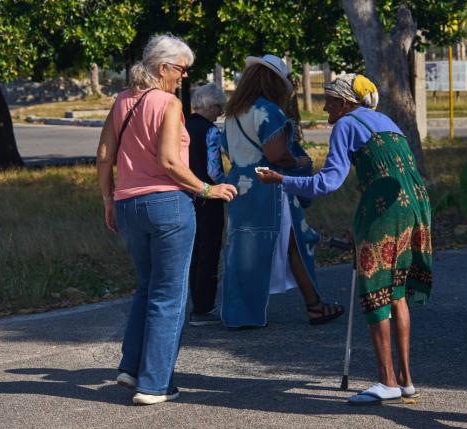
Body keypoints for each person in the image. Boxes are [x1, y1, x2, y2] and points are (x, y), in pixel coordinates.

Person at [257, 73, 433, 405]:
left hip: (384, 211)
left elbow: (328, 182)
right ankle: (406, 380)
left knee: (375, 290)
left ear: (343, 102)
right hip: (414, 207)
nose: (325, 108)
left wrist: (281, 179)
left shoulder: (346, 125)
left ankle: (387, 381)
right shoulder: (388, 122)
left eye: (329, 101)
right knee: (396, 292)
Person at [96, 34, 237, 405]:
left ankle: (131, 367)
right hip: (167, 205)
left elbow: (104, 156)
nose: (184, 77)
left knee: (147, 286)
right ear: (163, 68)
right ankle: (155, 384)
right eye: (181, 69)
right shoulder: (169, 103)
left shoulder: (122, 101)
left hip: (127, 205)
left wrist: (108, 200)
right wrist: (207, 190)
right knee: (170, 295)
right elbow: (170, 162)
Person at [217, 54, 344, 329]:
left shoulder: (233, 112)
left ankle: (239, 313)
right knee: (296, 241)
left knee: (243, 248)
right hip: (269, 186)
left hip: (240, 186)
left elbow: (226, 147)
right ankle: (315, 306)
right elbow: (275, 152)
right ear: (273, 82)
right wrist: (296, 161)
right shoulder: (268, 111)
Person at [185, 83, 227, 326]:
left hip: (185, 195)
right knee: (209, 250)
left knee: (190, 252)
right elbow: (214, 169)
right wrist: (226, 187)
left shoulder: (182, 126)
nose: (220, 113)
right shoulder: (210, 131)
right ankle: (203, 307)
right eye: (219, 108)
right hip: (208, 197)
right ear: (211, 106)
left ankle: (189, 301)